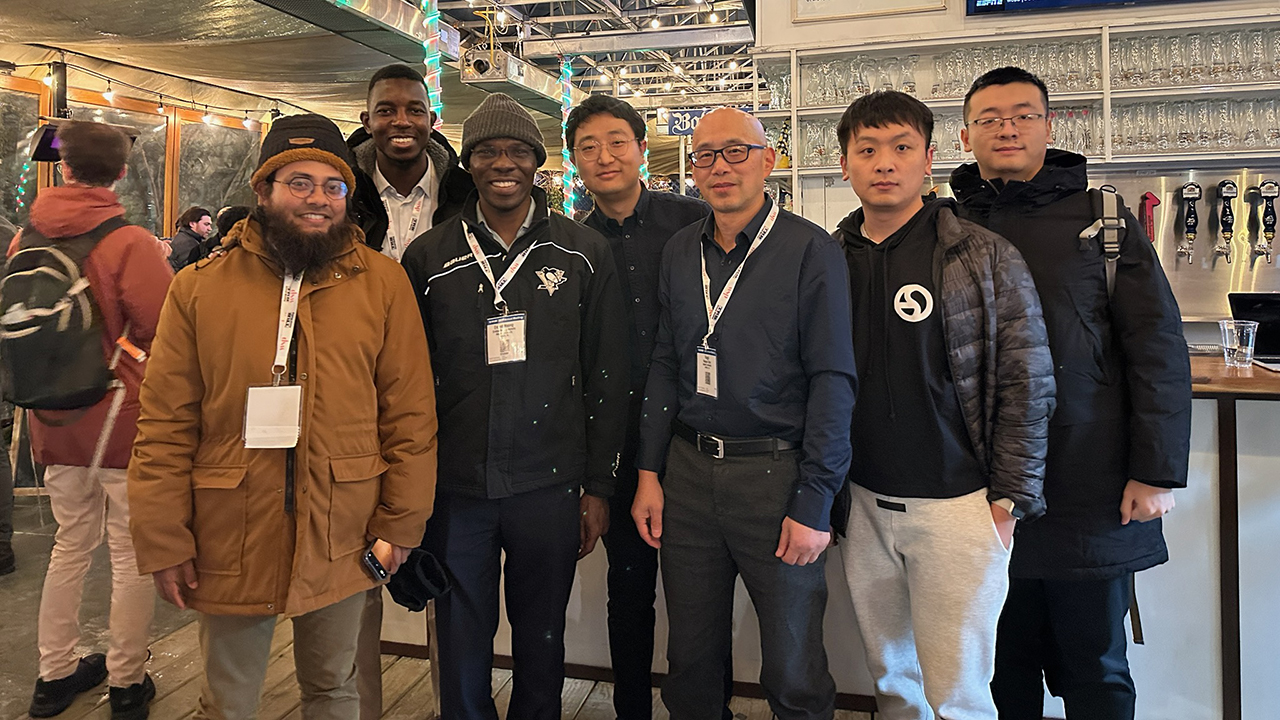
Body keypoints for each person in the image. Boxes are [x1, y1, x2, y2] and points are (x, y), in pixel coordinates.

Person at [127, 114, 438, 720]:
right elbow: (164, 422)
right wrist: (163, 535)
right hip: (230, 526)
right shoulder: (197, 287)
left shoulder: (383, 284)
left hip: (344, 528)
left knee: (334, 689)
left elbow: (409, 413)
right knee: (228, 699)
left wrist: (401, 522)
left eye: (333, 186)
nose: (318, 199)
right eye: (299, 182)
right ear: (262, 190)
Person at [950, 67, 1192, 720]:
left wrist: (1156, 469)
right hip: (982, 492)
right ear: (965, 134)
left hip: (1090, 481)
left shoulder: (1103, 219)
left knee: (1097, 667)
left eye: (1023, 114)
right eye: (991, 117)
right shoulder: (944, 227)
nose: (1007, 127)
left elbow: (1157, 347)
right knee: (1001, 669)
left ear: (1049, 127)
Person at [400, 93, 628, 720]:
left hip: (549, 483)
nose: (504, 163)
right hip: (457, 485)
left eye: (518, 152)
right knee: (460, 635)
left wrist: (599, 488)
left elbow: (605, 375)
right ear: (468, 164)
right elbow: (409, 382)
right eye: (487, 152)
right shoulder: (429, 257)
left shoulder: (584, 253)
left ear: (538, 162)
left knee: (542, 636)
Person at [831, 90, 1055, 720]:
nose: (884, 163)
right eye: (866, 150)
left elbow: (1027, 380)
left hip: (960, 504)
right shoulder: (828, 258)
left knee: (959, 690)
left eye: (901, 148)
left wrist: (1009, 499)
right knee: (892, 680)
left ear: (929, 159)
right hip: (864, 501)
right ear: (843, 163)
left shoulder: (981, 253)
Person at [632, 107, 856, 720]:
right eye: (705, 155)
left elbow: (834, 382)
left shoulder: (811, 250)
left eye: (736, 151)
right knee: (691, 662)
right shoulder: (681, 250)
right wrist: (650, 473)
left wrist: (815, 500)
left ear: (769, 158)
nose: (719, 167)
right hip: (688, 474)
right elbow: (664, 364)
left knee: (792, 664)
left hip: (776, 480)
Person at [567, 94, 736, 720]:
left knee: (703, 599)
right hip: (615, 445)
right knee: (628, 591)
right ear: (574, 160)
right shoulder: (571, 243)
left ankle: (708, 708)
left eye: (617, 142)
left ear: (642, 149)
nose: (605, 157)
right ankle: (632, 709)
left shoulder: (694, 224)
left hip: (693, 439)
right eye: (588, 146)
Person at [11, 120, 173, 719]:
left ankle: (53, 675)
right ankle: (127, 681)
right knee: (130, 552)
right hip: (117, 417)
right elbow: (164, 328)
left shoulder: (23, 239)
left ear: (65, 167)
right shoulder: (128, 241)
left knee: (69, 543)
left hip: (50, 417)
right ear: (122, 172)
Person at [348, 63, 474, 263]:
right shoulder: (346, 197)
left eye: (415, 111)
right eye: (386, 111)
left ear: (431, 121)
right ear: (367, 122)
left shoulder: (468, 196)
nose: (402, 121)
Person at [168, 206, 212, 272]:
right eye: (206, 224)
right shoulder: (188, 244)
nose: (210, 229)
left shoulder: (185, 238)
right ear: (192, 224)